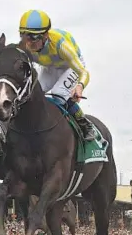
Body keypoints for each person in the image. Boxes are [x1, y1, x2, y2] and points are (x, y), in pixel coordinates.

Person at [18, 10, 95, 141]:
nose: (29, 42)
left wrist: (80, 86)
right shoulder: (25, 46)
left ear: (46, 35)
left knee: (58, 93)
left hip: (71, 67)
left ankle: (85, 125)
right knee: (32, 93)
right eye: (25, 36)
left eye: (34, 37)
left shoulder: (61, 45)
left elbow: (84, 72)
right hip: (50, 67)